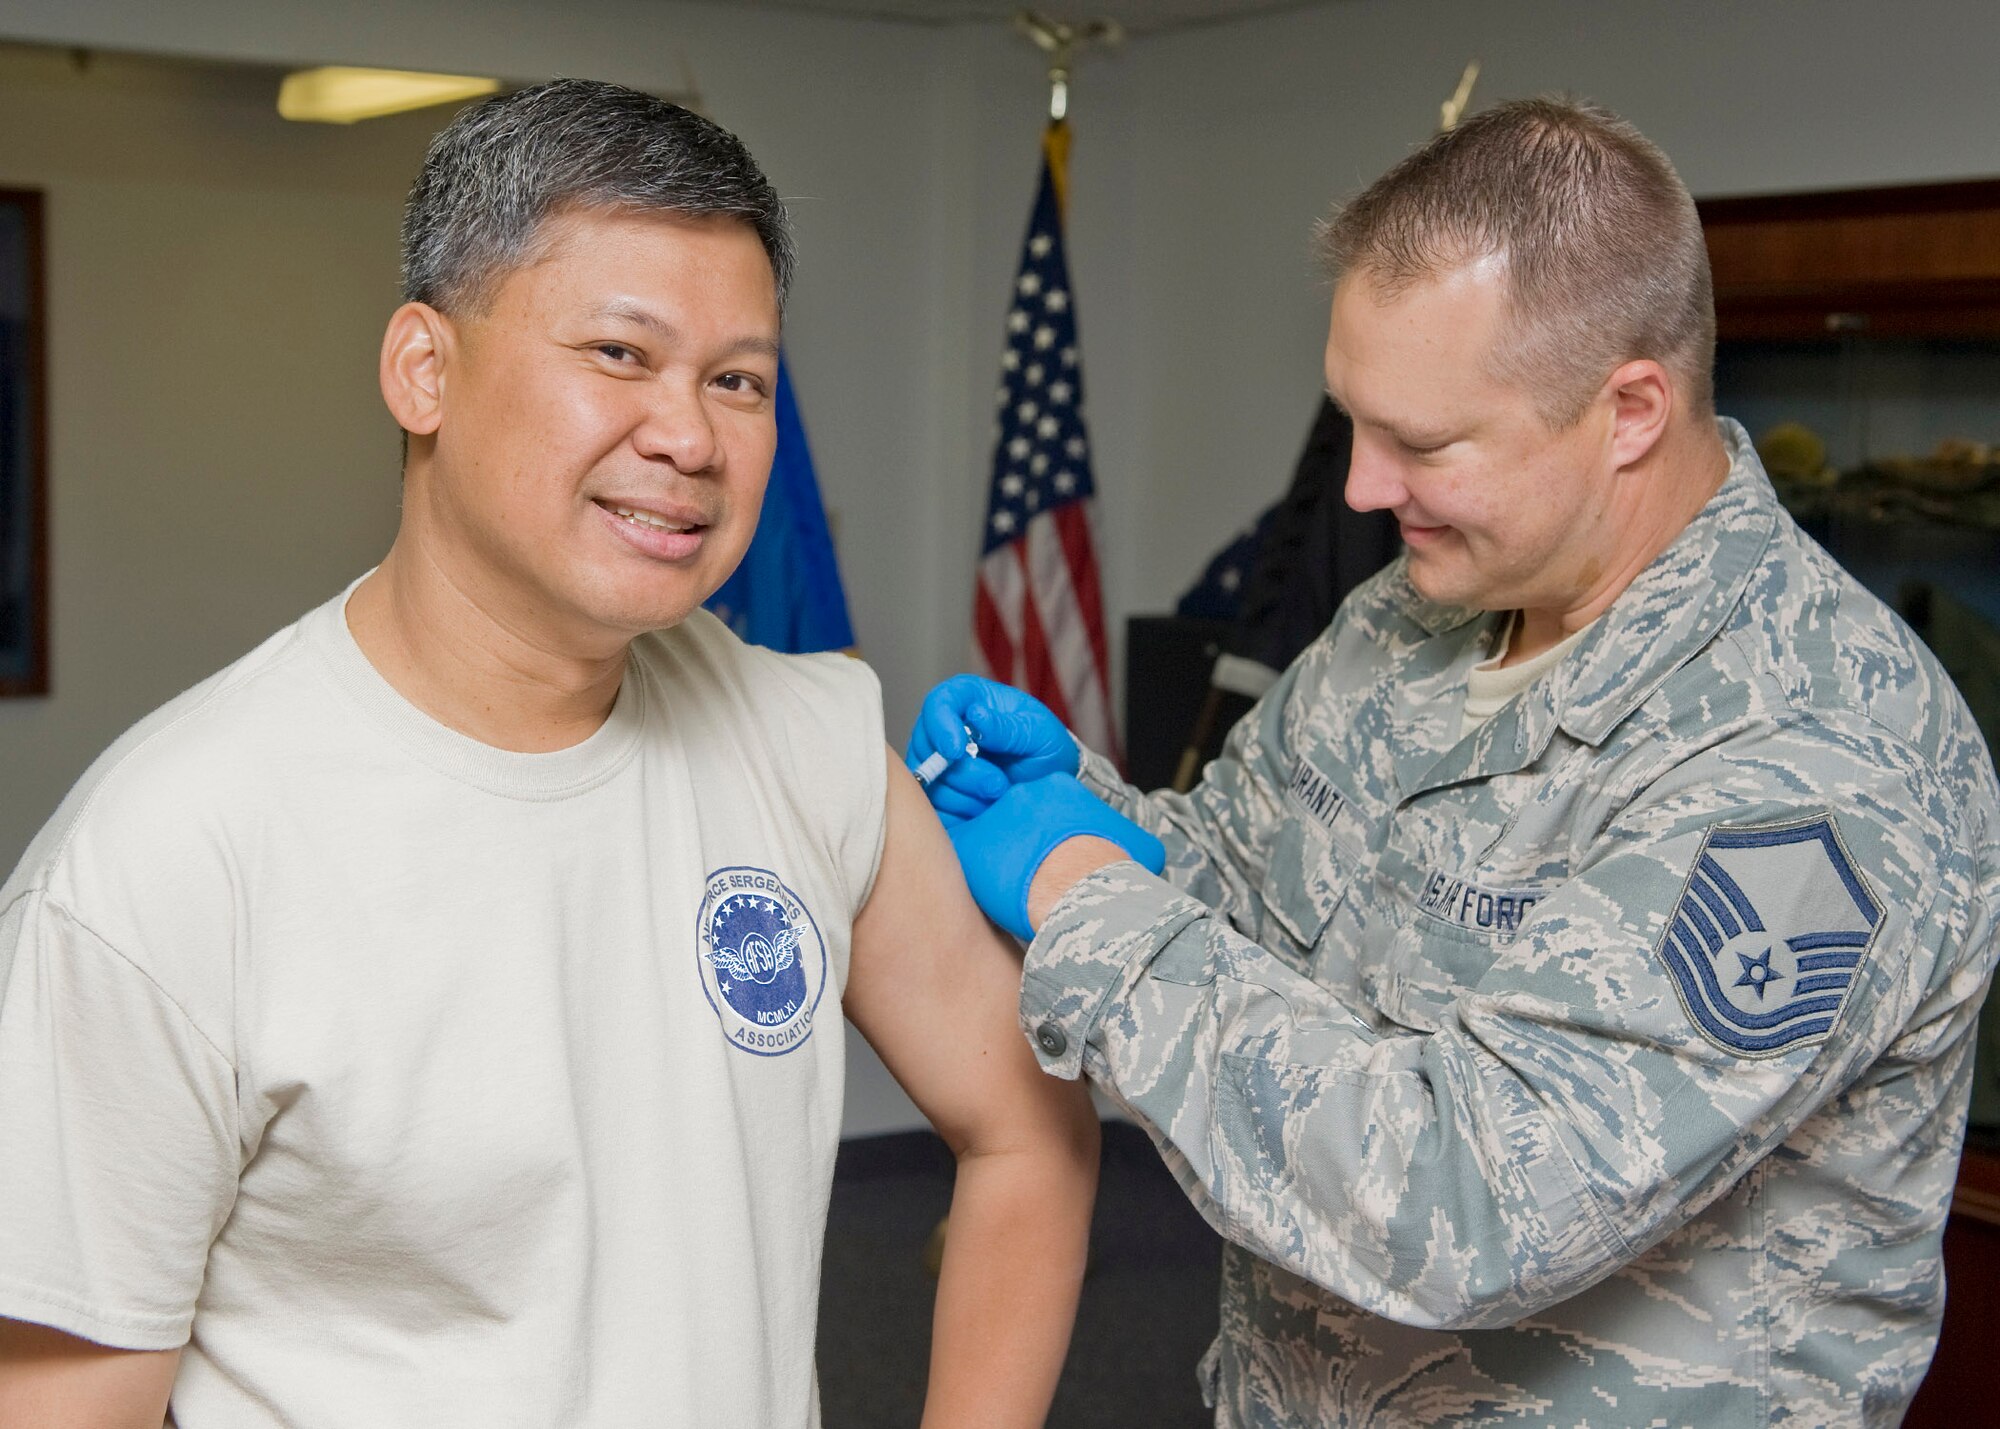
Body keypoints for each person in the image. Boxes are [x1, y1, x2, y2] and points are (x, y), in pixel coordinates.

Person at [0, 80, 1097, 1428]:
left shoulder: (806, 741)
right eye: (620, 355)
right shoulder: (168, 856)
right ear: (425, 371)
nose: (689, 436)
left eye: (737, 379)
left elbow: (1030, 1131)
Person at [910, 98, 2000, 1426]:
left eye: (1422, 443)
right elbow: (1251, 891)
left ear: (1632, 410)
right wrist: (1093, 811)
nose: (1361, 489)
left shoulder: (1818, 753)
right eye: (1353, 423)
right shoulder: (1415, 616)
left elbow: (1473, 1198)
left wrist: (1082, 893)